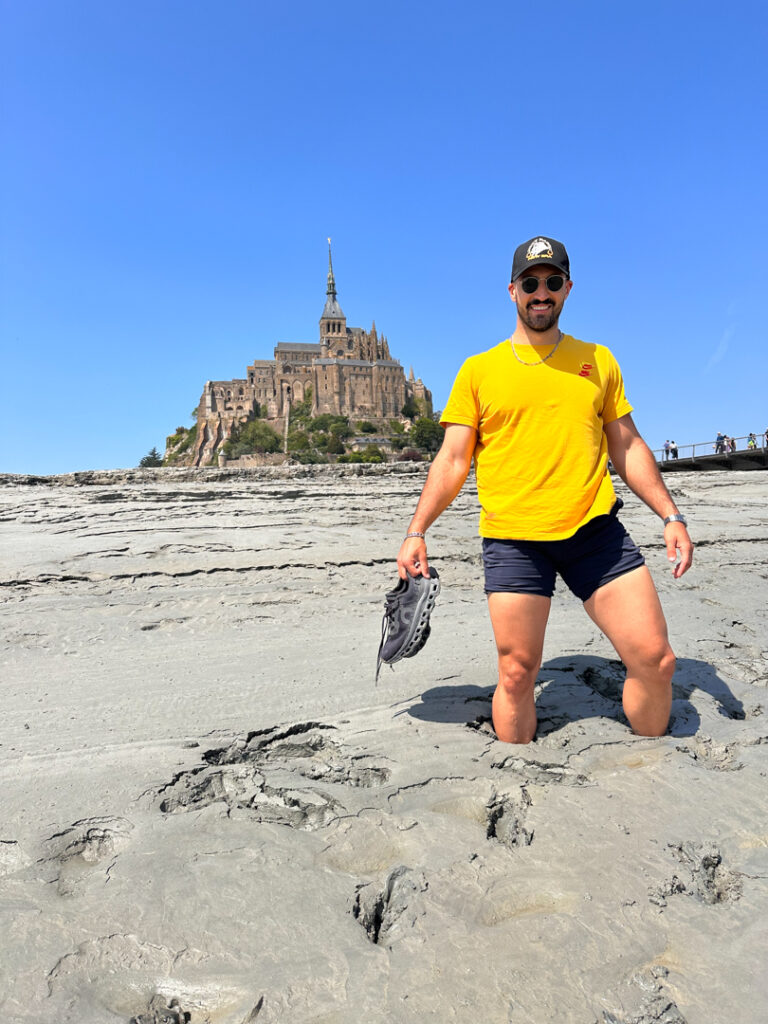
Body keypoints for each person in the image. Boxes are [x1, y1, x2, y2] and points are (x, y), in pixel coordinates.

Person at [396, 236, 693, 744]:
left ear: (567, 289)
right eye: (531, 283)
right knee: (516, 674)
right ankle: (518, 774)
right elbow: (452, 459)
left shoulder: (597, 360)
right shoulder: (478, 370)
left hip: (594, 532)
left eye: (552, 282)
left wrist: (671, 515)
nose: (542, 292)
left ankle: (654, 766)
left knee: (656, 660)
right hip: (514, 539)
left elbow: (627, 446)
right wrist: (416, 530)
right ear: (512, 291)